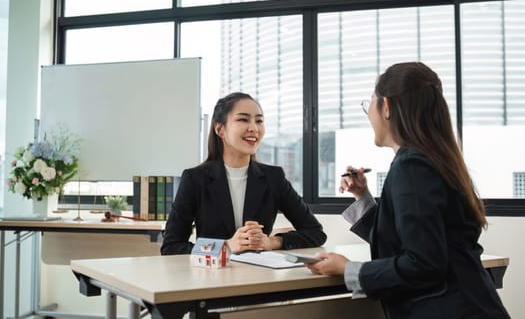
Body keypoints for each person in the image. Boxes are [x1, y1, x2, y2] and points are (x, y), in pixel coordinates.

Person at [306, 62, 510, 319]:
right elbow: (409, 240)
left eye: (369, 103)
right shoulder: (437, 158)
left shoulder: (411, 165)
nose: (369, 113)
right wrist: (363, 198)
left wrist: (349, 269)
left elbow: (423, 263)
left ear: (387, 107)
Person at [161, 92, 326, 255]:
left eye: (259, 121)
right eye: (243, 119)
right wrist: (225, 246)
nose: (254, 128)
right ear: (220, 129)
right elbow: (171, 246)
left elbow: (315, 233)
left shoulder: (274, 177)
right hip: (212, 277)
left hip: (259, 275)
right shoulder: (195, 179)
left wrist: (271, 242)